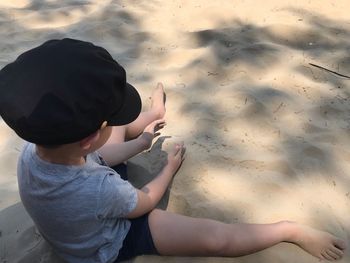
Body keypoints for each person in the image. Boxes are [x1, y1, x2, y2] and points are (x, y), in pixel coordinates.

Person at [0, 38, 346, 263]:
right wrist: (169, 165)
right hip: (108, 242)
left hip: (79, 187)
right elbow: (144, 202)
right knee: (215, 239)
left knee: (120, 128)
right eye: (102, 125)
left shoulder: (34, 151)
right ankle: (290, 230)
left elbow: (92, 156)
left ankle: (151, 117)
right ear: (90, 139)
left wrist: (140, 143)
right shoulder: (101, 189)